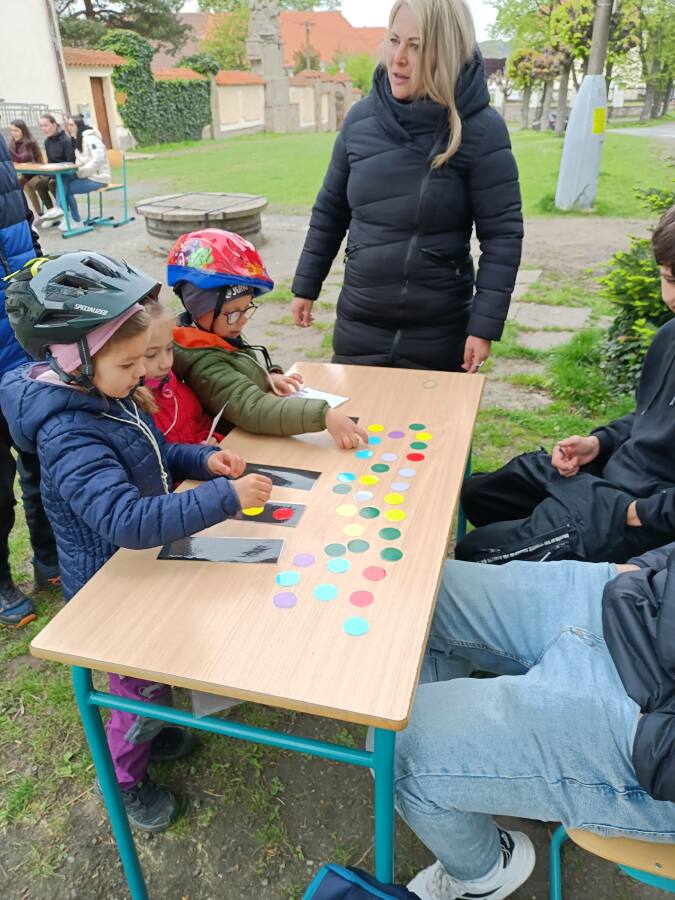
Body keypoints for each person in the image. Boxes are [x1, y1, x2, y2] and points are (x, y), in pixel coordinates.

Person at [0, 251, 273, 830]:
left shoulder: (109, 396)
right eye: (130, 363)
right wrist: (225, 498)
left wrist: (202, 459)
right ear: (75, 361)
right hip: (111, 589)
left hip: (141, 568)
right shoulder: (68, 432)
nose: (144, 375)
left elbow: (153, 453)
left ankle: (157, 731)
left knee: (159, 667)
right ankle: (125, 781)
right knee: (136, 693)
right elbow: (125, 517)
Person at [399, 547, 675, 900]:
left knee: (400, 750)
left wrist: (653, 738)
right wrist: (648, 567)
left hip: (650, 733)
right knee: (412, 592)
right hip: (640, 598)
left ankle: (485, 875)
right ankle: (461, 785)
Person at [290, 0, 523, 374]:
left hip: (440, 333)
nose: (398, 58)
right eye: (394, 41)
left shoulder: (481, 130)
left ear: (445, 51)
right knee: (356, 413)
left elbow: (502, 236)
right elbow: (330, 210)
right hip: (359, 326)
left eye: (416, 46)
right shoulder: (360, 120)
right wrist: (306, 284)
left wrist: (483, 327)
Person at [456, 203, 675, 566]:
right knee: (479, 494)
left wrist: (632, 513)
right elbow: (649, 417)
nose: (673, 298)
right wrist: (597, 443)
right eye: (669, 279)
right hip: (606, 478)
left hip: (642, 513)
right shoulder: (669, 335)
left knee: (476, 554)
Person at [169, 229, 369, 448]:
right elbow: (252, 408)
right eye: (233, 313)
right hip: (237, 446)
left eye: (246, 309)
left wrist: (266, 377)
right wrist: (323, 415)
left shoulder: (217, 333)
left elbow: (239, 371)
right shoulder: (203, 362)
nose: (242, 320)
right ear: (199, 308)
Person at [0, 133, 59, 628]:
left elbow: (25, 240)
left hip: (24, 348)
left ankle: (48, 557)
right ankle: (1, 581)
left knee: (42, 461)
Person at [143, 299, 223, 444]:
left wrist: (209, 438)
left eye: (169, 349)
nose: (166, 363)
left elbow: (201, 424)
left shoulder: (180, 391)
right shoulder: (133, 411)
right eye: (151, 355)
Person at [63, 114, 111, 229]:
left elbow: (98, 159)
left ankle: (73, 218)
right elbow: (82, 160)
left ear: (78, 125)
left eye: (71, 125)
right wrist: (77, 167)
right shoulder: (77, 139)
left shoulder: (90, 138)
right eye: (68, 125)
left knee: (65, 189)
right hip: (87, 176)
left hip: (99, 178)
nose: (69, 128)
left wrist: (81, 171)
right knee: (63, 179)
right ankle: (63, 213)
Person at [7, 119, 54, 222]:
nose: (13, 133)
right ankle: (20, 212)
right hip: (26, 174)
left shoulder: (30, 142)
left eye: (16, 130)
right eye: (11, 130)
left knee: (28, 186)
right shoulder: (13, 143)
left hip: (38, 173)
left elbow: (25, 157)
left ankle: (38, 213)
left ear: (22, 130)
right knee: (15, 185)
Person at [38, 114, 75, 226]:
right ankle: (52, 214)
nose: (43, 129)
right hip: (54, 172)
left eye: (46, 125)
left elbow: (70, 161)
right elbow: (50, 160)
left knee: (53, 183)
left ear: (54, 125)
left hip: (67, 173)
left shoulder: (65, 140)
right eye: (41, 126)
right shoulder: (47, 142)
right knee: (40, 185)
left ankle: (64, 212)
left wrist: (55, 172)